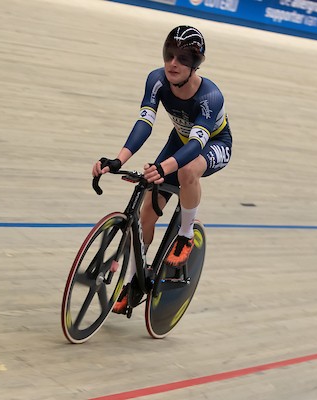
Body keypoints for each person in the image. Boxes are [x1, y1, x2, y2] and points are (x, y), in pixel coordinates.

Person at [92, 25, 232, 313]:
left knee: (185, 171)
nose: (173, 63)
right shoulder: (156, 80)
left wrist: (161, 167)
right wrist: (119, 160)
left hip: (212, 145)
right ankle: (132, 282)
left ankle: (185, 234)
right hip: (179, 141)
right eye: (169, 55)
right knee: (146, 211)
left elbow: (195, 146)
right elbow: (145, 123)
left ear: (196, 64)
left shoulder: (210, 97)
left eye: (182, 58)